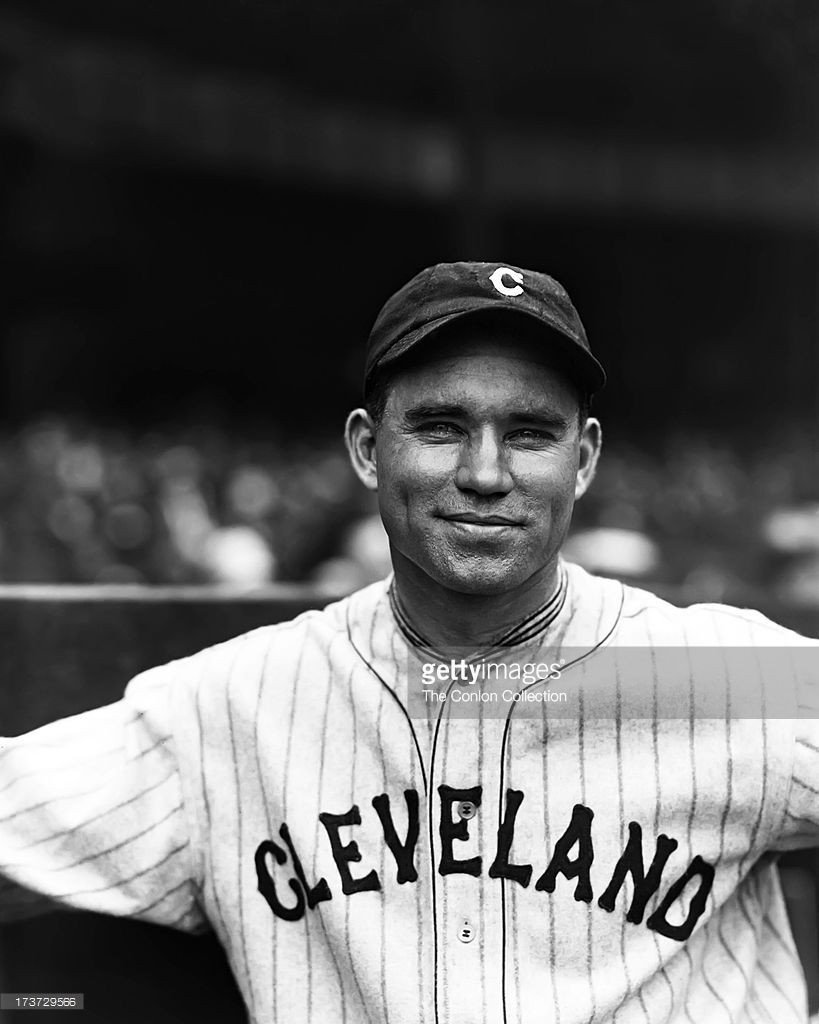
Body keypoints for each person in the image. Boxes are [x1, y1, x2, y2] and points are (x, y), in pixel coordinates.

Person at [1, 260, 818, 1024]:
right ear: (367, 449)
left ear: (583, 459)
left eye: (530, 433)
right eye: (439, 427)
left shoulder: (731, 675)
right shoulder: (236, 703)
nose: (485, 473)